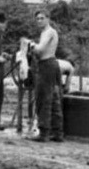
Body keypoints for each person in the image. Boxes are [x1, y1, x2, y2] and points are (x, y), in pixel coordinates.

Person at [27, 10, 64, 142]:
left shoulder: (49, 32)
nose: (39, 21)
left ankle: (44, 133)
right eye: (37, 19)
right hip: (49, 64)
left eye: (42, 18)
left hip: (47, 65)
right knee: (53, 98)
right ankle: (57, 132)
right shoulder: (45, 33)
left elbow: (40, 49)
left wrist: (30, 44)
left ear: (48, 19)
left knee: (44, 98)